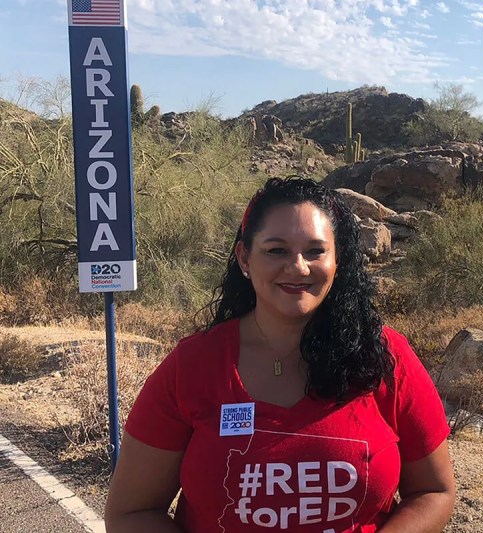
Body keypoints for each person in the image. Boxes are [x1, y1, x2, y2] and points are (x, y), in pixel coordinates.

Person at [105, 177, 456, 532]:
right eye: (277, 250)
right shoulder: (193, 366)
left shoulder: (385, 356)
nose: (299, 267)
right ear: (245, 257)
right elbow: (131, 513)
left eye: (316, 251)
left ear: (338, 260)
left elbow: (433, 491)